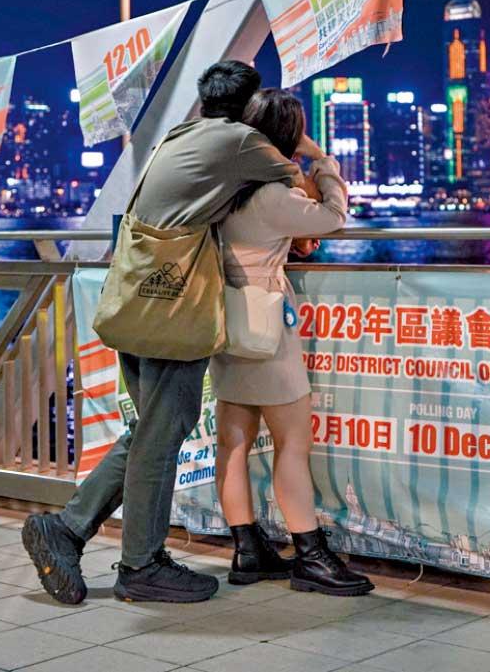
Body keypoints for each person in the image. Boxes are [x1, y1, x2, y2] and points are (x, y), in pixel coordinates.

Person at [22, 61, 299, 605]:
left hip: (136, 298)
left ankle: (67, 529)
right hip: (173, 306)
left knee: (150, 429)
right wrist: (301, 145)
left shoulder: (180, 133)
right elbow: (292, 180)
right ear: (247, 107)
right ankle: (141, 564)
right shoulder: (240, 140)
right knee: (162, 432)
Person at [210, 88, 374, 596]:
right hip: (266, 326)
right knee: (293, 443)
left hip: (222, 321)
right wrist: (320, 158)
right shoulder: (275, 195)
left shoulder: (221, 186)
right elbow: (334, 216)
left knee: (232, 442)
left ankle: (247, 550)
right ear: (288, 137)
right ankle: (311, 555)